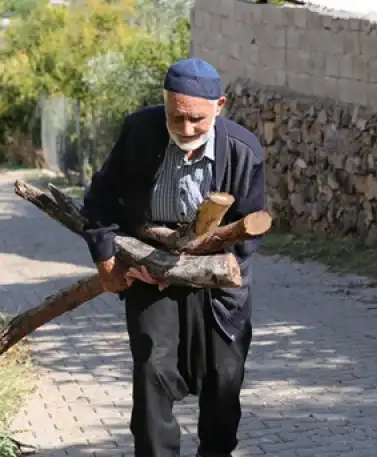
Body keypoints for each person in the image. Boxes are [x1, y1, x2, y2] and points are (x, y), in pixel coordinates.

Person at [78, 57, 266, 457]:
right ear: (164, 104)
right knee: (152, 372)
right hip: (151, 271)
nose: (185, 129)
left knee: (225, 378)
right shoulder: (139, 133)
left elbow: (246, 237)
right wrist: (109, 260)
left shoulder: (243, 150)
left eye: (197, 119)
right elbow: (99, 202)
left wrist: (202, 265)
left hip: (216, 276)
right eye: (175, 117)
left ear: (220, 105)